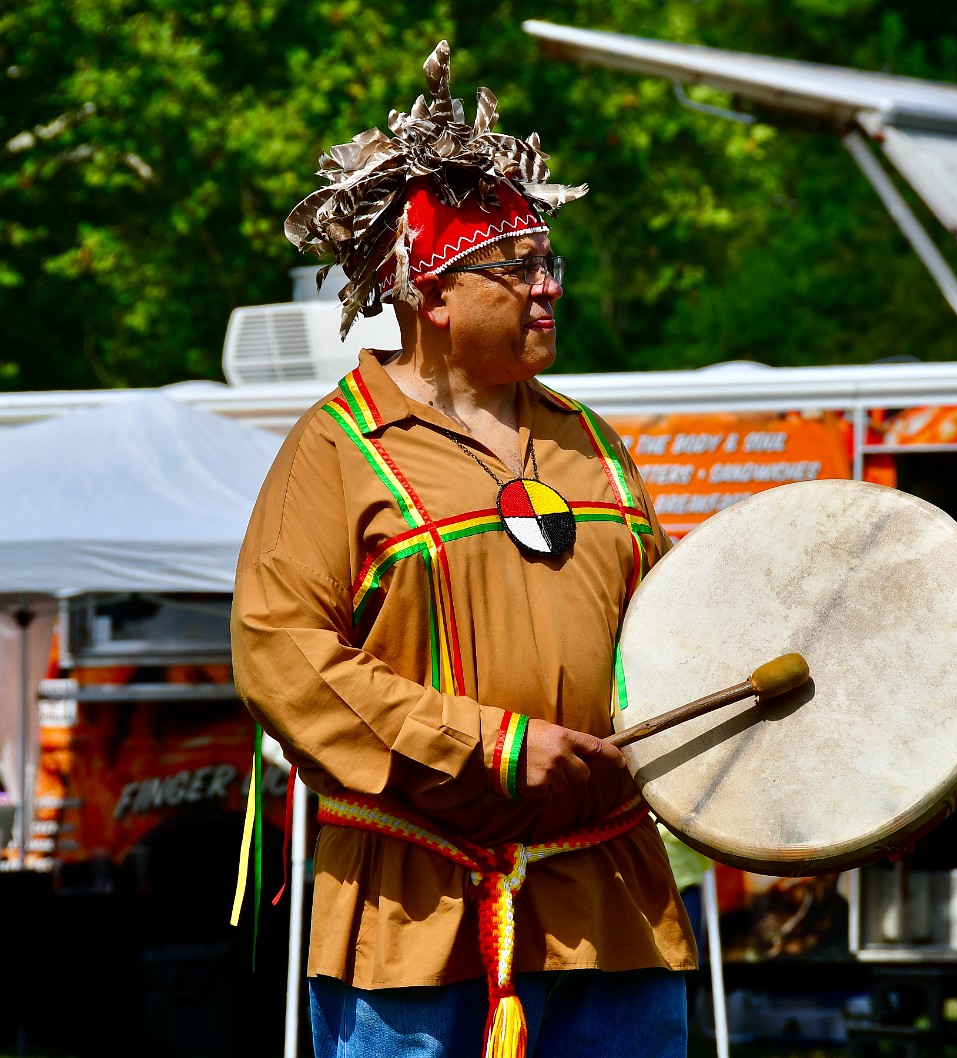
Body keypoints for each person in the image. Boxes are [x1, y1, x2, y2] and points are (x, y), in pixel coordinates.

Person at [231, 40, 696, 1058]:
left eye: (548, 264)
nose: (547, 289)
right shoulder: (337, 450)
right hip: (412, 916)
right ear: (429, 295)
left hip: (606, 901)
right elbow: (280, 652)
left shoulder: (590, 444)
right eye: (516, 268)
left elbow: (676, 627)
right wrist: (484, 740)